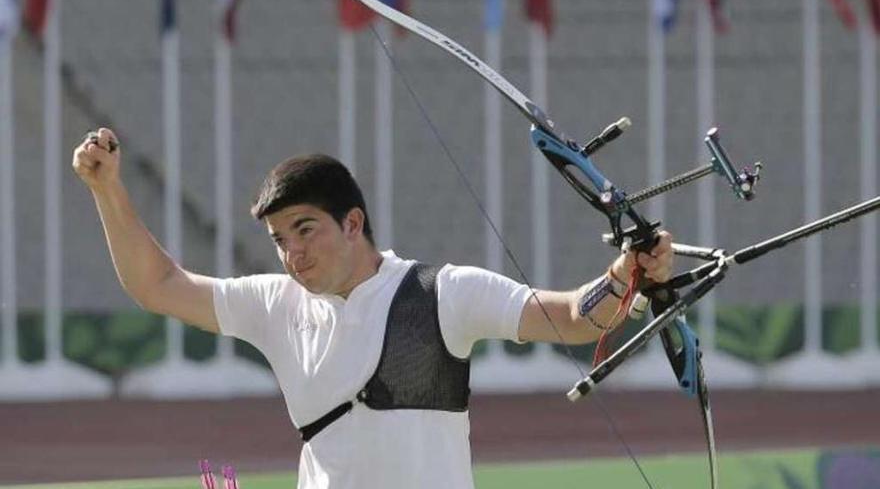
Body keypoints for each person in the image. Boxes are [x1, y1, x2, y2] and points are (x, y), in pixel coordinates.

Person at [72, 128, 674, 489]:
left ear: (352, 222)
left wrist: (628, 275)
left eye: (305, 230)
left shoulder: (444, 292)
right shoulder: (275, 304)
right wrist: (106, 189)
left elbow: (571, 316)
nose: (292, 254)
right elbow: (159, 285)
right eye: (280, 240)